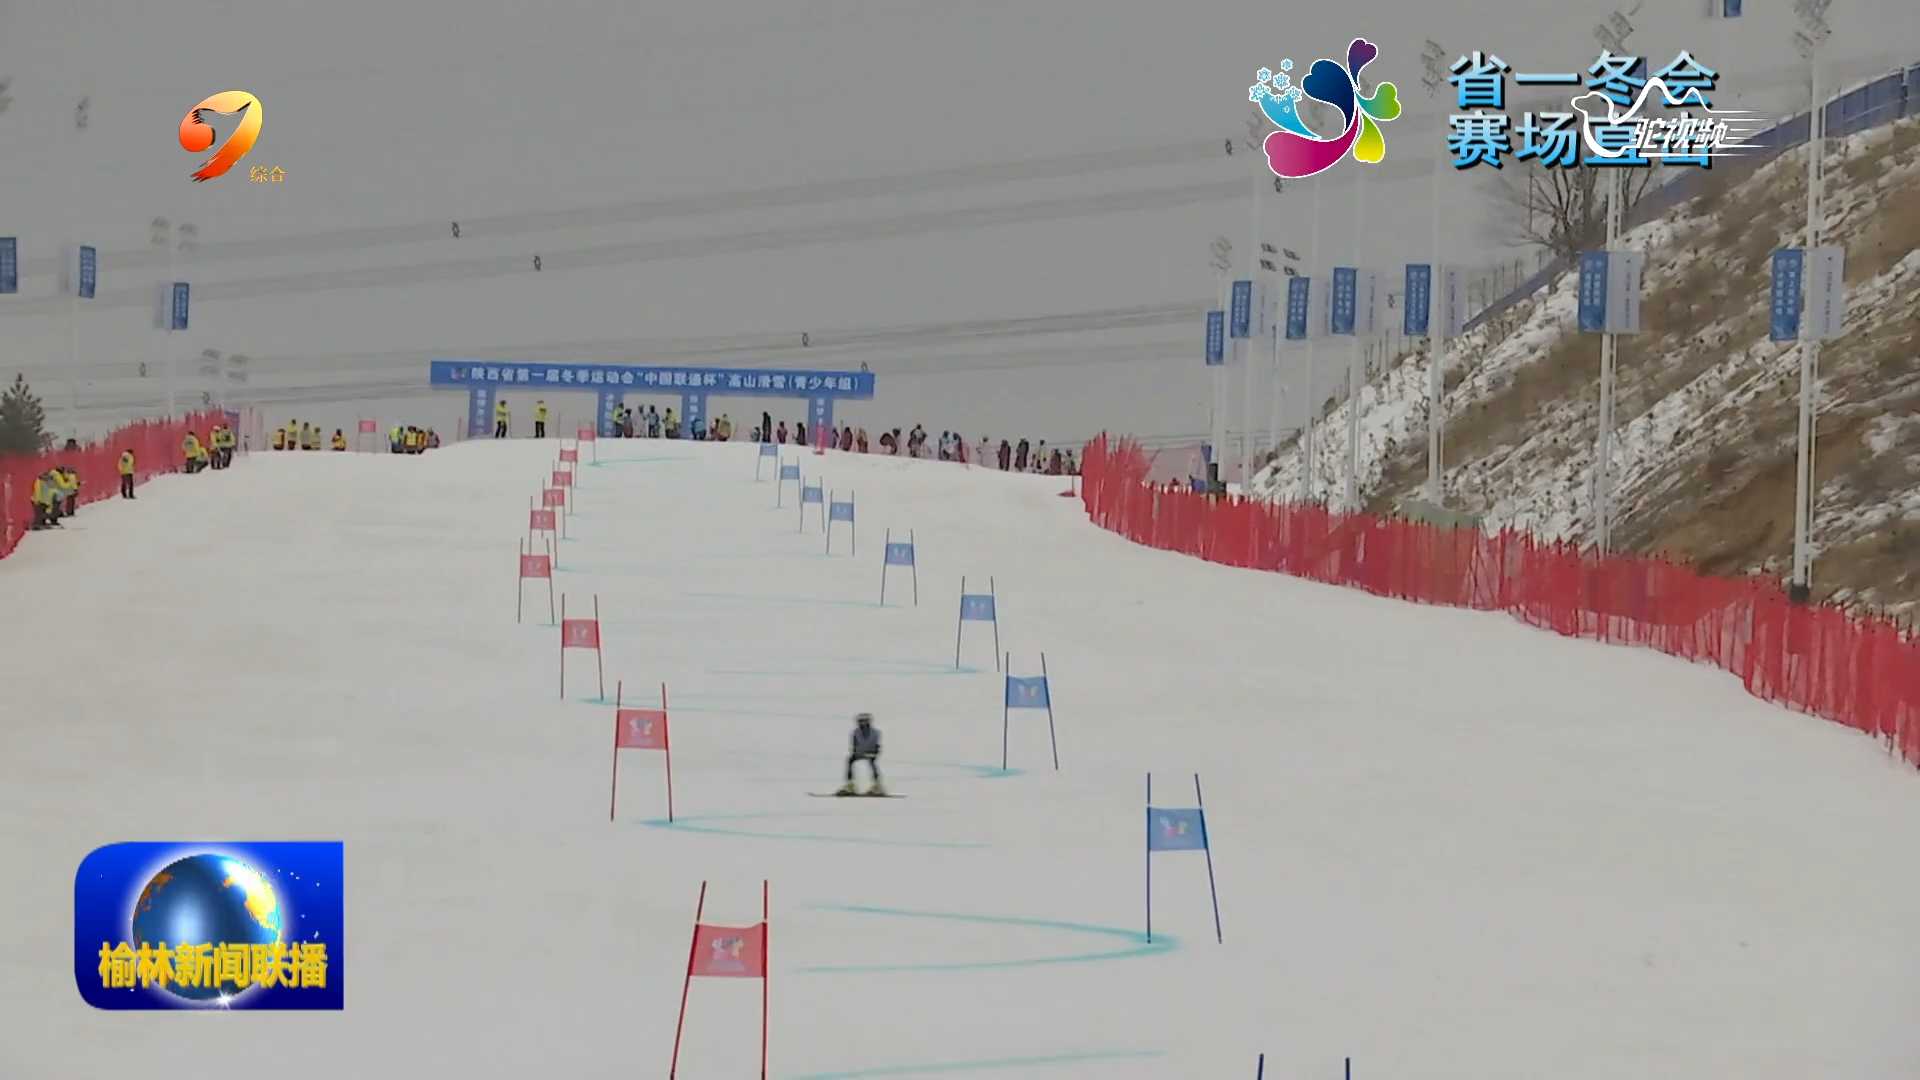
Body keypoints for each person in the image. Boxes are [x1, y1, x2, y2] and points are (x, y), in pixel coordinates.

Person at [836, 712, 885, 796]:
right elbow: (854, 746)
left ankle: (877, 786)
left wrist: (874, 753)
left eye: (863, 721)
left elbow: (877, 746)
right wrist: (856, 752)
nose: (862, 723)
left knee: (872, 762)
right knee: (850, 760)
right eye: (860, 721)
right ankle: (850, 785)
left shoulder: (875, 732)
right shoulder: (855, 732)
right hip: (860, 753)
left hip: (871, 753)